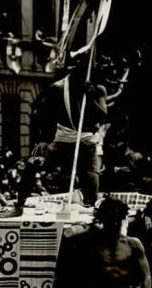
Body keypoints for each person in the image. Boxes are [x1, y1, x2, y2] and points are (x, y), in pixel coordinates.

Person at [42, 61, 108, 206]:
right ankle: (20, 204)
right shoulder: (58, 88)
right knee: (42, 167)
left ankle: (92, 203)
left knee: (90, 173)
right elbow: (46, 116)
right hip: (64, 138)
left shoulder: (98, 90)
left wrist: (90, 97)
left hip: (86, 139)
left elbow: (103, 116)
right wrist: (47, 141)